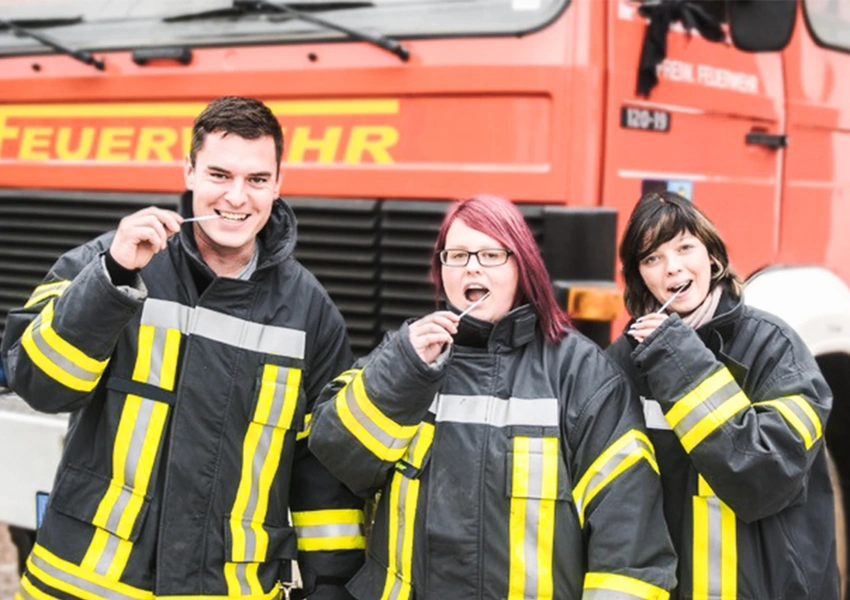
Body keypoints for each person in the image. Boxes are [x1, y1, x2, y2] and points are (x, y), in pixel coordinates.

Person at [1, 96, 364, 599]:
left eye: (257, 180)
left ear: (278, 185)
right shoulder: (111, 263)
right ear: (189, 171)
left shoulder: (312, 314)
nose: (237, 197)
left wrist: (330, 586)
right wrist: (111, 281)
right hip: (86, 585)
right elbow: (38, 385)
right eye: (219, 175)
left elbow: (320, 469)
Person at [308, 194, 677, 599]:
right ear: (441, 269)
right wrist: (403, 372)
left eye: (490, 254)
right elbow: (336, 454)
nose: (472, 267)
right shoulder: (407, 354)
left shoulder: (581, 374)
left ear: (523, 266)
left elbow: (629, 546)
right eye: (458, 255)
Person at [607, 191, 839, 600]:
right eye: (652, 258)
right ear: (639, 275)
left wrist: (678, 360)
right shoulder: (626, 359)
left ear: (712, 255)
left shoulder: (775, 347)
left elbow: (764, 476)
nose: (673, 268)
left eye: (684, 247)